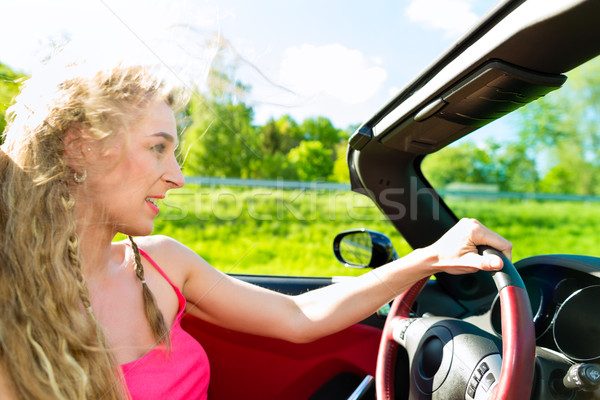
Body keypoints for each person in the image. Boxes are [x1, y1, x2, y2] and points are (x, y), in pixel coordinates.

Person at [0, 56, 512, 400]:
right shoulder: (9, 306)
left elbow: (297, 314)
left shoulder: (160, 262)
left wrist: (427, 258)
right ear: (79, 148)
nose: (177, 176)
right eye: (158, 147)